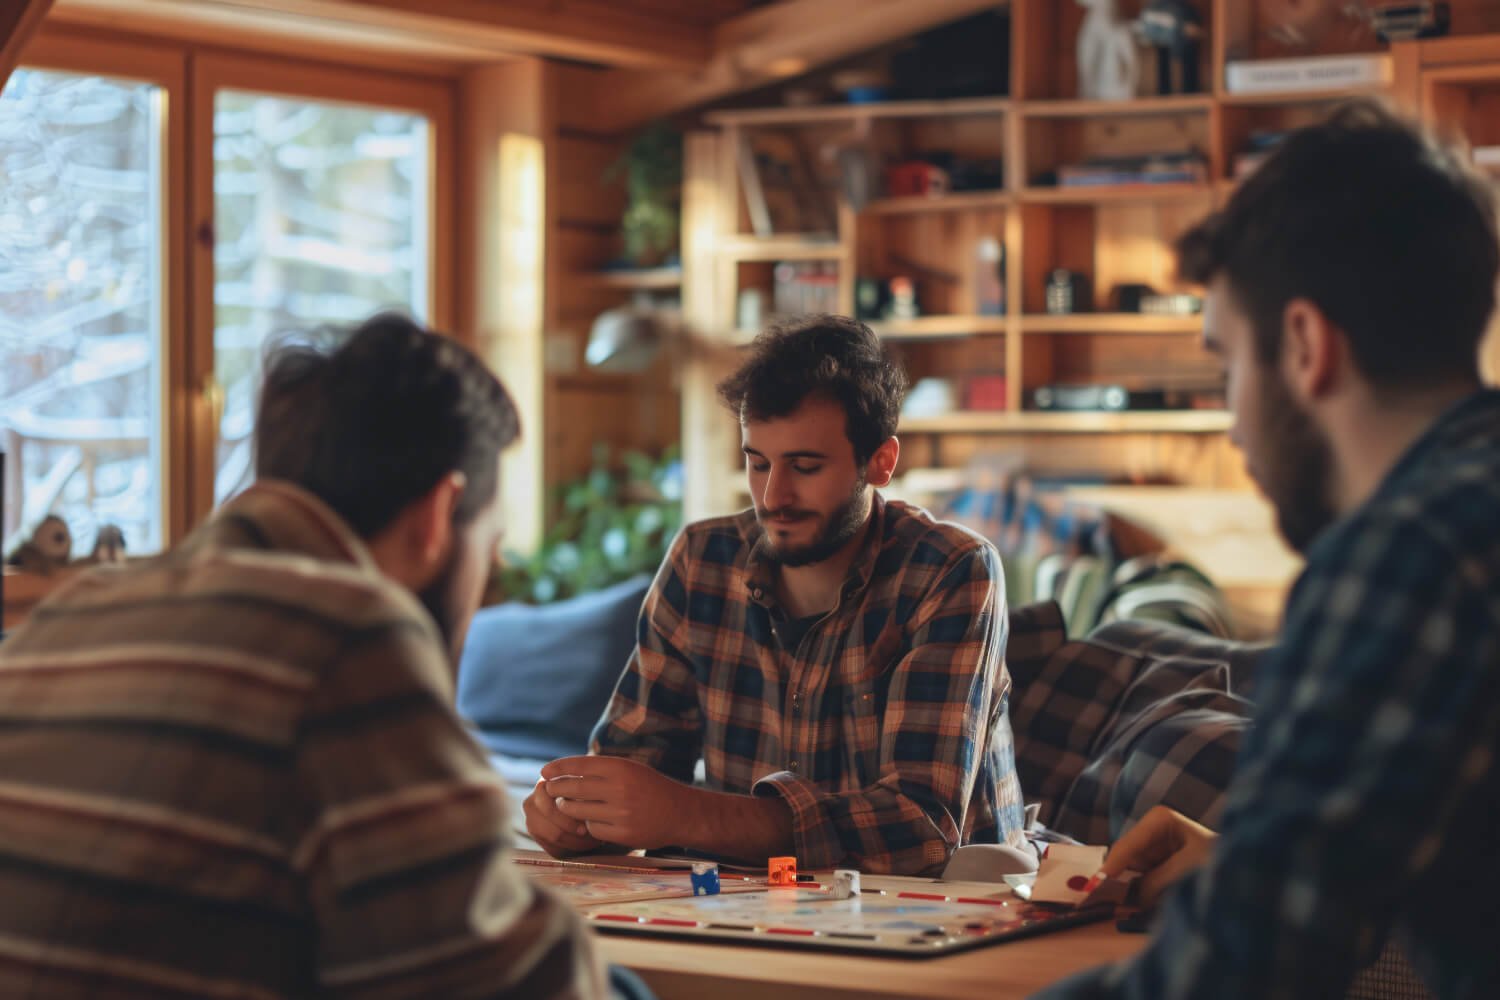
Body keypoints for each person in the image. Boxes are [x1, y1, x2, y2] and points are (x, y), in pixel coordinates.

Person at [0, 314, 608, 998]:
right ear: (440, 515)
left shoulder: (69, 615)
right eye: (489, 549)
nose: (483, 582)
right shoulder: (349, 639)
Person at [1039, 100, 1500, 998]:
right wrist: (1244, 855)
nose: (1233, 419)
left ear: (1303, 345)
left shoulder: (1412, 553)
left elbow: (1239, 970)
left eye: (1226, 364)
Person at [524, 314, 1027, 876]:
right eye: (757, 462)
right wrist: (579, 817)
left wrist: (684, 815)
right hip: (750, 903)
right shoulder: (701, 560)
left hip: (948, 909)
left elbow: (919, 830)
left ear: (881, 462)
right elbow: (628, 766)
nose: (773, 496)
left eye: (805, 467)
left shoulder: (951, 569)